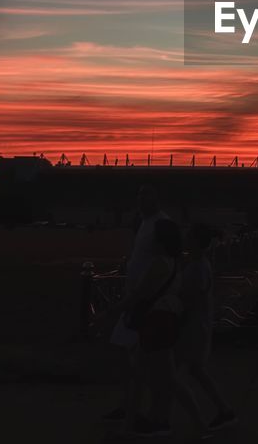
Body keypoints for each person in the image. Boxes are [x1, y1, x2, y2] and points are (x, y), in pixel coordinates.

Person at [119, 218, 207, 438]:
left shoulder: (159, 263)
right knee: (161, 378)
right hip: (165, 323)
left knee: (146, 378)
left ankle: (130, 428)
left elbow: (139, 295)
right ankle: (194, 425)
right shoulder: (176, 262)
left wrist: (110, 312)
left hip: (155, 323)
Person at [101, 186, 170, 423]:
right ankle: (130, 405)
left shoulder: (160, 224)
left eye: (146, 196)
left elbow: (163, 260)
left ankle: (140, 410)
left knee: (143, 360)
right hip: (136, 297)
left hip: (146, 301)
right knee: (126, 351)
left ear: (156, 199)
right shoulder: (144, 222)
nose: (141, 200)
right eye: (139, 196)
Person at [176, 224, 238, 431]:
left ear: (194, 242)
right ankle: (224, 409)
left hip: (192, 327)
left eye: (188, 237)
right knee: (195, 370)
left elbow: (190, 298)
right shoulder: (199, 264)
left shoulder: (197, 267)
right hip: (196, 325)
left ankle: (163, 417)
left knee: (174, 374)